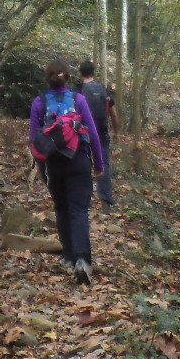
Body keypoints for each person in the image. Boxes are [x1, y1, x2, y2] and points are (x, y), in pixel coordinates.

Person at [29, 57, 105, 284]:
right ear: (69, 78)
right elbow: (92, 134)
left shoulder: (39, 103)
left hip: (54, 164)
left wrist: (42, 169)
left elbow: (34, 140)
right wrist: (99, 164)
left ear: (48, 79)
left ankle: (70, 257)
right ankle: (82, 259)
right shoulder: (78, 100)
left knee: (61, 209)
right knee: (78, 210)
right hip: (79, 160)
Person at [76, 60, 118, 208]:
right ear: (94, 72)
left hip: (84, 132)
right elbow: (113, 113)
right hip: (102, 131)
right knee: (104, 164)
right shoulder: (103, 89)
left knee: (84, 162)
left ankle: (85, 199)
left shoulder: (78, 91)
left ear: (80, 73)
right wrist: (116, 131)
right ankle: (106, 200)